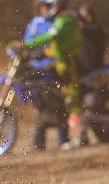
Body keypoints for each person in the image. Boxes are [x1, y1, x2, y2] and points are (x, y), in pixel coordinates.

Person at [15, 0, 84, 149]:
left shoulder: (64, 21)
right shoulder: (53, 21)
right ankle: (41, 143)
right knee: (51, 102)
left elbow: (50, 38)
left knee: (70, 100)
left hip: (66, 65)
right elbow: (55, 45)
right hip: (56, 65)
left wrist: (26, 45)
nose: (44, 9)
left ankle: (78, 137)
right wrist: (41, 53)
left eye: (47, 6)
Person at [22, 0, 69, 151]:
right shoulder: (35, 23)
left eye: (48, 6)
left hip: (55, 69)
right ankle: (38, 143)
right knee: (41, 106)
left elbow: (60, 43)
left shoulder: (60, 22)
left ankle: (64, 140)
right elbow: (27, 42)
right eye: (44, 6)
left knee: (59, 104)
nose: (45, 9)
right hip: (38, 70)